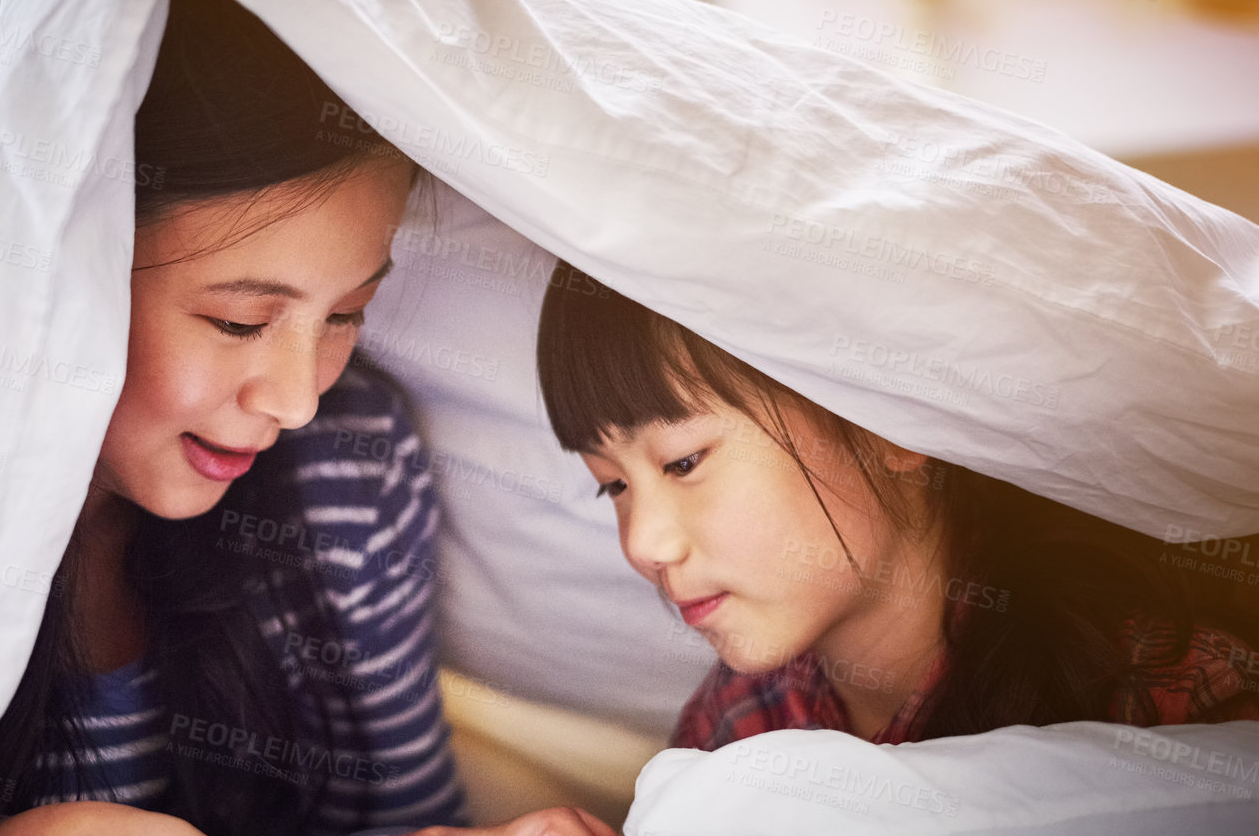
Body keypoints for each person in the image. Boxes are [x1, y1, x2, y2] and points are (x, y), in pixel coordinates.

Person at [0, 0, 627, 836]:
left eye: (347, 313)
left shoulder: (347, 472)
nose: (299, 396)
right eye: (237, 320)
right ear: (58, 267)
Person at [534, 259, 1259, 750]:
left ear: (890, 421)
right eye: (614, 485)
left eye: (684, 461)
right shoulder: (732, 729)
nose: (643, 544)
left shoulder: (1175, 705)